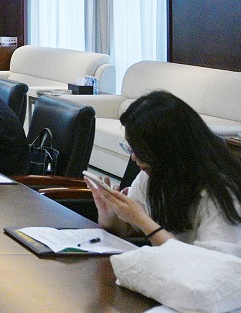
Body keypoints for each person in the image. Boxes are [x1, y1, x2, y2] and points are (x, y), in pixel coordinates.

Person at [87, 91, 241, 256]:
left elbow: (210, 264)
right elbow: (125, 228)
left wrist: (141, 219)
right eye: (132, 148)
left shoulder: (221, 192)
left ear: (168, 150)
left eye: (140, 151)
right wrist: (109, 216)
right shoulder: (153, 175)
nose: (134, 158)